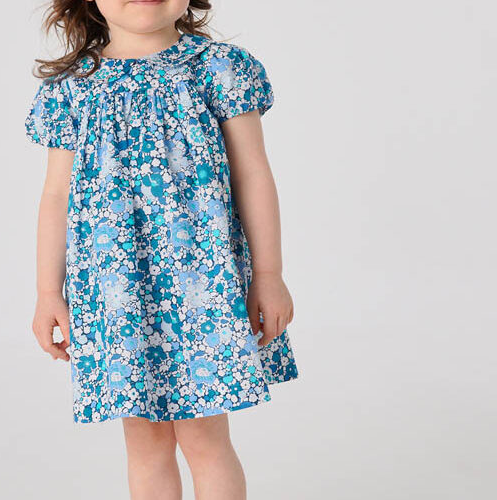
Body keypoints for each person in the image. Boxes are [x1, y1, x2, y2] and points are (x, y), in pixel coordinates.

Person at [25, 1, 299, 498]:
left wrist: (269, 275)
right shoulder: (72, 89)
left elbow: (253, 172)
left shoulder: (218, 69)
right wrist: (49, 292)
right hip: (117, 292)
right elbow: (55, 196)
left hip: (202, 287)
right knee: (145, 442)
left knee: (204, 437)